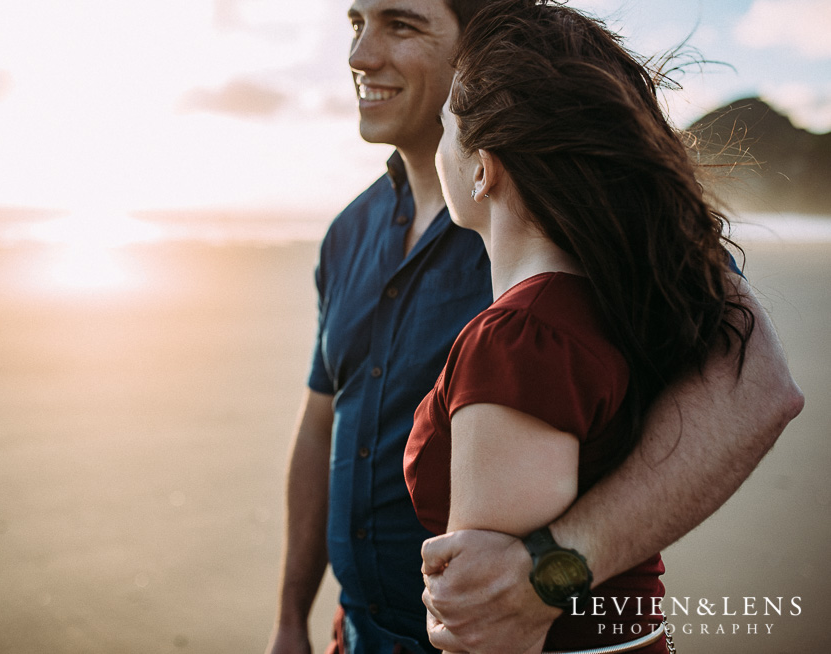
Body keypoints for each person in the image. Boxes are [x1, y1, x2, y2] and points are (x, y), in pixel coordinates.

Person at [265, 0, 804, 653]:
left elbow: (761, 383)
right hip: (357, 633)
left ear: (477, 48)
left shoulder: (580, 230)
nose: (359, 55)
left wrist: (551, 575)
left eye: (400, 24)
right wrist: (291, 617)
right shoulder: (348, 233)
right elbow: (326, 420)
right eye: (355, 23)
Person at [402, 1, 778, 652]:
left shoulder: (519, 341)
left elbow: (494, 630)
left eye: (444, 128)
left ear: (483, 167)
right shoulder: (634, 300)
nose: (439, 148)